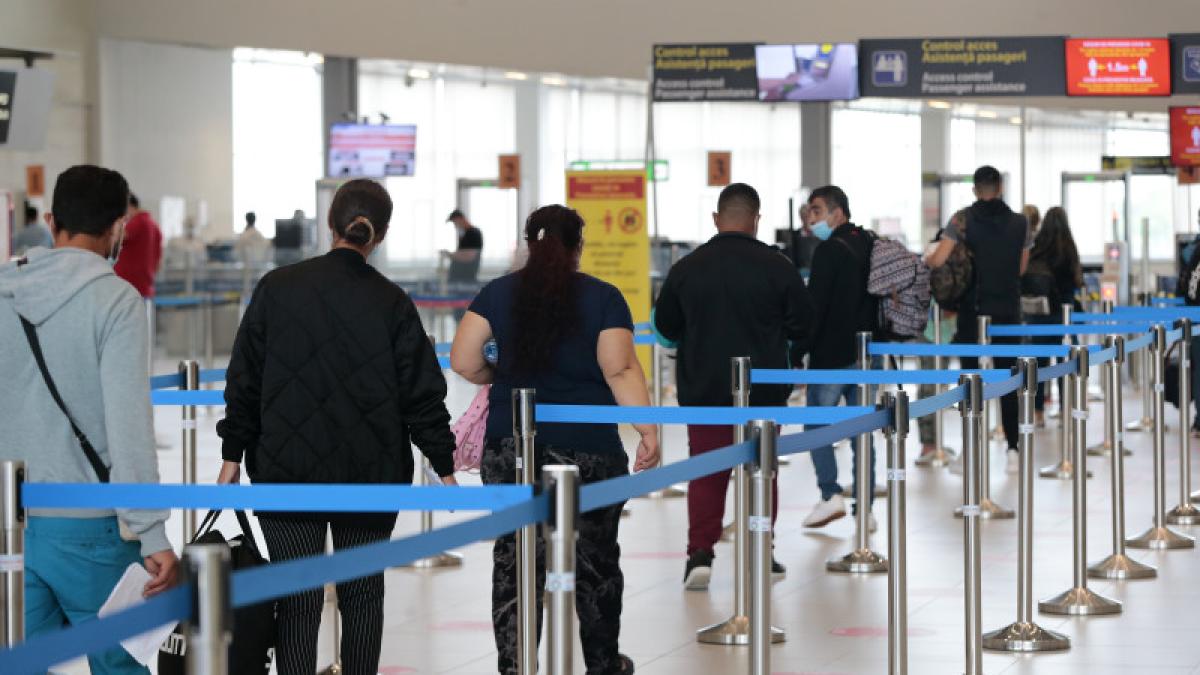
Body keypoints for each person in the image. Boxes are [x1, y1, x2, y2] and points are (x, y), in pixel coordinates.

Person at [217, 179, 458, 675]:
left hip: (286, 473)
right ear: (381, 234)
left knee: (299, 599)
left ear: (331, 223)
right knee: (363, 595)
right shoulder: (392, 302)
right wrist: (443, 462)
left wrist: (232, 456)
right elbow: (422, 392)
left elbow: (244, 378)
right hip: (368, 477)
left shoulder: (276, 288)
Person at [452, 204, 657, 675]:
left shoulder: (497, 294)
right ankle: (602, 663)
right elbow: (620, 368)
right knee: (596, 561)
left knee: (516, 560)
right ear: (578, 247)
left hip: (511, 448)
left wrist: (498, 377)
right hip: (589, 449)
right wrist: (647, 429)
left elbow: (464, 361)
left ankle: (516, 665)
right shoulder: (604, 298)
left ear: (530, 243)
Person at [0, 165, 177, 674]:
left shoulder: (6, 291)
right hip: (89, 529)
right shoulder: (116, 301)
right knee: (120, 665)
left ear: (52, 220)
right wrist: (152, 533)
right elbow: (128, 428)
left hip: (13, 523)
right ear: (118, 228)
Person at [654, 182, 813, 589]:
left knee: (706, 473)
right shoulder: (779, 266)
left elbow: (665, 330)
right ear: (756, 220)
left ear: (716, 218)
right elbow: (802, 326)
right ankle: (762, 551)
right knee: (763, 471)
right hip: (764, 389)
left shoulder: (687, 267)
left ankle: (700, 556)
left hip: (704, 390)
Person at [927, 165, 1031, 472]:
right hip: (1007, 310)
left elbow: (939, 259)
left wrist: (929, 257)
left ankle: (971, 451)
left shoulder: (961, 220)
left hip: (972, 309)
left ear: (975, 190)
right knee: (1008, 379)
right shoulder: (1020, 223)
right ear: (1000, 189)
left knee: (970, 380)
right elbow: (1021, 269)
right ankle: (1013, 449)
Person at [794, 185, 880, 530]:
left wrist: (798, 352)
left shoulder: (829, 250)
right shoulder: (870, 243)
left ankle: (830, 495)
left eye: (816, 211)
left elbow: (815, 307)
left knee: (816, 427)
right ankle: (866, 509)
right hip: (866, 353)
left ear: (837, 213)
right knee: (864, 432)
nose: (811, 219)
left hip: (831, 355)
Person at [1021, 206, 1082, 429]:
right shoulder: (1068, 249)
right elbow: (1076, 281)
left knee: (1039, 365)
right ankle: (1066, 408)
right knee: (1065, 363)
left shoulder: (1037, 247)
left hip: (1038, 314)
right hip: (1063, 315)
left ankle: (1038, 412)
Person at [114, 194, 163, 299]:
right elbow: (158, 261)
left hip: (130, 284)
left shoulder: (137, 222)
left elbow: (115, 237)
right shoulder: (154, 225)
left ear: (129, 207)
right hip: (145, 283)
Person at [442, 209, 484, 284]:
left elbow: (469, 256)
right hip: (457, 279)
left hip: (465, 280)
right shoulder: (464, 235)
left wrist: (449, 254)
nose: (455, 225)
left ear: (460, 219)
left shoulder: (474, 233)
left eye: (454, 222)